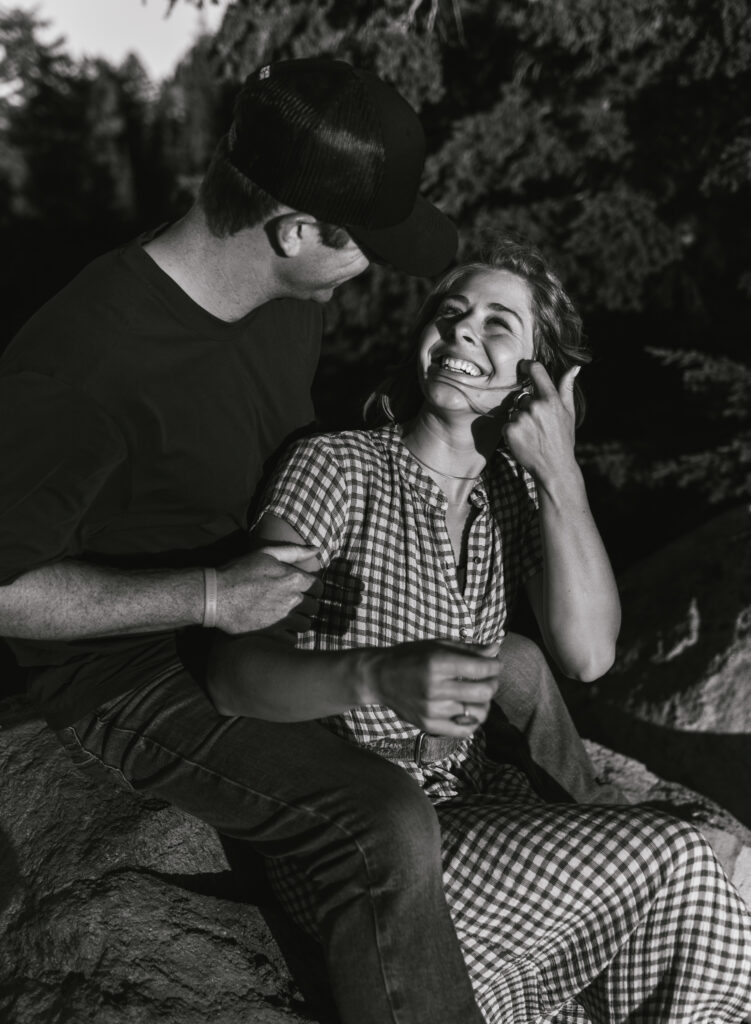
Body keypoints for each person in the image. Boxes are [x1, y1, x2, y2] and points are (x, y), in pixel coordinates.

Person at [0, 56, 521, 1024]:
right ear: (295, 231)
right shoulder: (84, 365)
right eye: (364, 244)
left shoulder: (287, 299)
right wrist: (207, 596)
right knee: (382, 823)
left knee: (515, 666)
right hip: (136, 669)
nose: (370, 269)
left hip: (269, 605)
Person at [208, 240, 751, 1023]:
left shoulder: (513, 497)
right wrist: (374, 675)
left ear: (537, 375)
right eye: (448, 313)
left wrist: (558, 470)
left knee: (712, 887)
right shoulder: (337, 468)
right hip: (363, 827)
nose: (463, 332)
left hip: (467, 810)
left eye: (499, 324)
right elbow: (233, 670)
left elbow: (590, 654)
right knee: (679, 862)